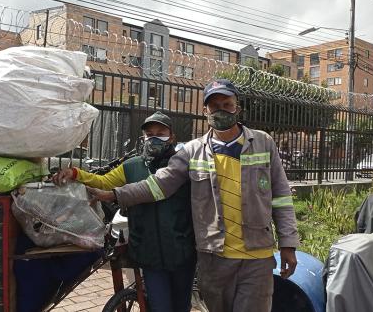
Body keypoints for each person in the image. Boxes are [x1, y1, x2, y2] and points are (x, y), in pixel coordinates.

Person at [88, 79, 299, 312]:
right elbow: (159, 185)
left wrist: (288, 243)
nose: (221, 110)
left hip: (256, 257)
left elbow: (280, 196)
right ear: (205, 111)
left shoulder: (262, 142)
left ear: (237, 107)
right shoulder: (192, 151)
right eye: (214, 106)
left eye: (227, 104)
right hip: (214, 258)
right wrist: (114, 195)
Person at [53, 112, 196, 312]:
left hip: (182, 252)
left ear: (172, 136)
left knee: (182, 306)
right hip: (149, 253)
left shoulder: (182, 166)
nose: (154, 137)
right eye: (149, 133)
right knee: (160, 307)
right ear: (143, 137)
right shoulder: (131, 166)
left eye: (160, 133)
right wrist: (76, 173)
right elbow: (103, 182)